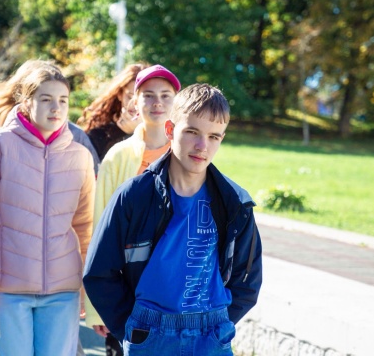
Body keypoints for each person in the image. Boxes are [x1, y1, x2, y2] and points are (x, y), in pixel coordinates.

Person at [83, 83, 263, 355]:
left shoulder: (235, 203)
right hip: (148, 332)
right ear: (170, 129)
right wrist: (129, 328)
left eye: (214, 136)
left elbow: (247, 281)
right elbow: (99, 271)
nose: (202, 146)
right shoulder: (134, 195)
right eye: (192, 132)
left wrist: (221, 323)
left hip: (211, 335)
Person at [0, 60, 95, 356]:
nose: (56, 108)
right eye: (46, 99)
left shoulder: (81, 156)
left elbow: (86, 226)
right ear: (25, 102)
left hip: (63, 290)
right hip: (6, 289)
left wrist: (88, 283)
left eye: (63, 100)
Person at [83, 64, 180, 355]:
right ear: (135, 102)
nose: (157, 102)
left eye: (165, 95)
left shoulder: (187, 154)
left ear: (176, 102)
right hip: (126, 290)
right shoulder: (118, 156)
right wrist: (97, 306)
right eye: (148, 95)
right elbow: (101, 230)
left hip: (174, 288)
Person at [79, 63, 148, 162]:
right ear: (120, 94)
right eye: (130, 97)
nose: (134, 104)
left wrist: (138, 132)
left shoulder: (163, 134)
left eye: (143, 97)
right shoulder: (99, 134)